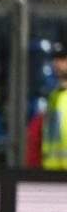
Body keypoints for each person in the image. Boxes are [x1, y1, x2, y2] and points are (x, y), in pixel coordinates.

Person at [40, 41, 67, 169]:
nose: (57, 63)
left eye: (62, 58)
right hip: (52, 173)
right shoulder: (54, 96)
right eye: (55, 59)